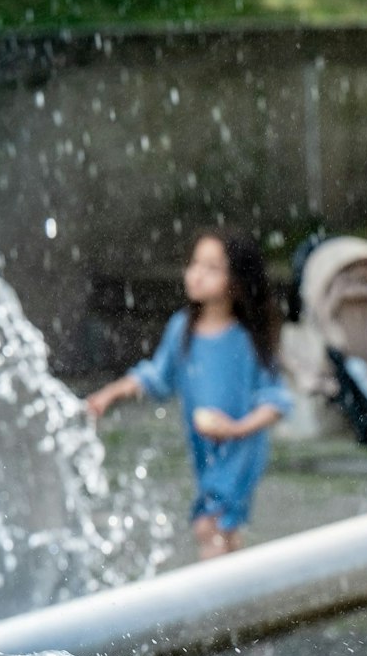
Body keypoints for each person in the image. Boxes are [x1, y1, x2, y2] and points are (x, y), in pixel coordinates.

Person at [88, 231, 292, 560]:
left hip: (240, 449)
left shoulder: (247, 339)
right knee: (224, 532)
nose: (197, 273)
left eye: (212, 268)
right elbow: (156, 377)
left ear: (236, 281)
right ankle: (238, 597)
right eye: (195, 264)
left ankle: (214, 607)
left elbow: (277, 401)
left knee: (208, 527)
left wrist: (235, 429)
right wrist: (110, 395)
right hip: (206, 450)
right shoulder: (181, 330)